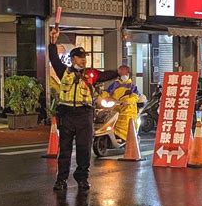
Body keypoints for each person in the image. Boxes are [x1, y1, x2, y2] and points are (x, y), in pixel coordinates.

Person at [49, 28, 118, 191]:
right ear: (73, 58)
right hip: (66, 115)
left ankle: (82, 177)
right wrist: (53, 41)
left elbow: (105, 75)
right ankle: (61, 179)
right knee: (64, 150)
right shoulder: (64, 72)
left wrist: (118, 72)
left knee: (84, 149)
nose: (83, 60)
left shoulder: (90, 74)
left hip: (84, 115)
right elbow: (53, 58)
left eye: (84, 58)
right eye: (80, 57)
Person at [101, 65, 140, 142]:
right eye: (121, 74)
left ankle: (126, 139)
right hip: (115, 108)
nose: (123, 76)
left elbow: (135, 97)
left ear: (128, 73)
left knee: (127, 124)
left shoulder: (132, 86)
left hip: (128, 110)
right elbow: (107, 92)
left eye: (124, 74)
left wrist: (128, 101)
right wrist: (104, 97)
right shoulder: (115, 84)